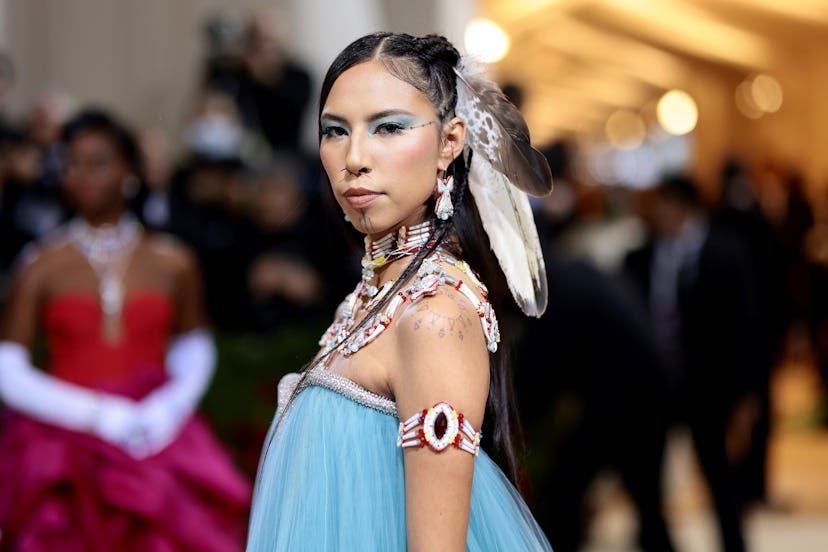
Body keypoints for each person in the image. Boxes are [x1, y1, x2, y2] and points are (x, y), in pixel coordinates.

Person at [246, 32, 554, 550]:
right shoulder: (371, 295)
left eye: (388, 127)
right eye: (335, 131)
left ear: (450, 142)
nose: (354, 158)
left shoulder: (435, 317)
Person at [0, 109, 250, 551]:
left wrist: (168, 408)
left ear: (130, 171)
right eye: (71, 163)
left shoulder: (173, 261)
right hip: (63, 436)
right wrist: (96, 416)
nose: (83, 175)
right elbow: (8, 367)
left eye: (98, 162)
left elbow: (194, 345)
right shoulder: (41, 264)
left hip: (154, 432)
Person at [623, 175, 760, 552]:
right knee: (647, 472)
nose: (658, 213)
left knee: (717, 471)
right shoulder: (642, 255)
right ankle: (657, 541)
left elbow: (746, 328)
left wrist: (748, 392)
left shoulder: (726, 254)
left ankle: (734, 543)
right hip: (655, 382)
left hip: (709, 384)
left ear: (684, 207)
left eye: (664, 204)